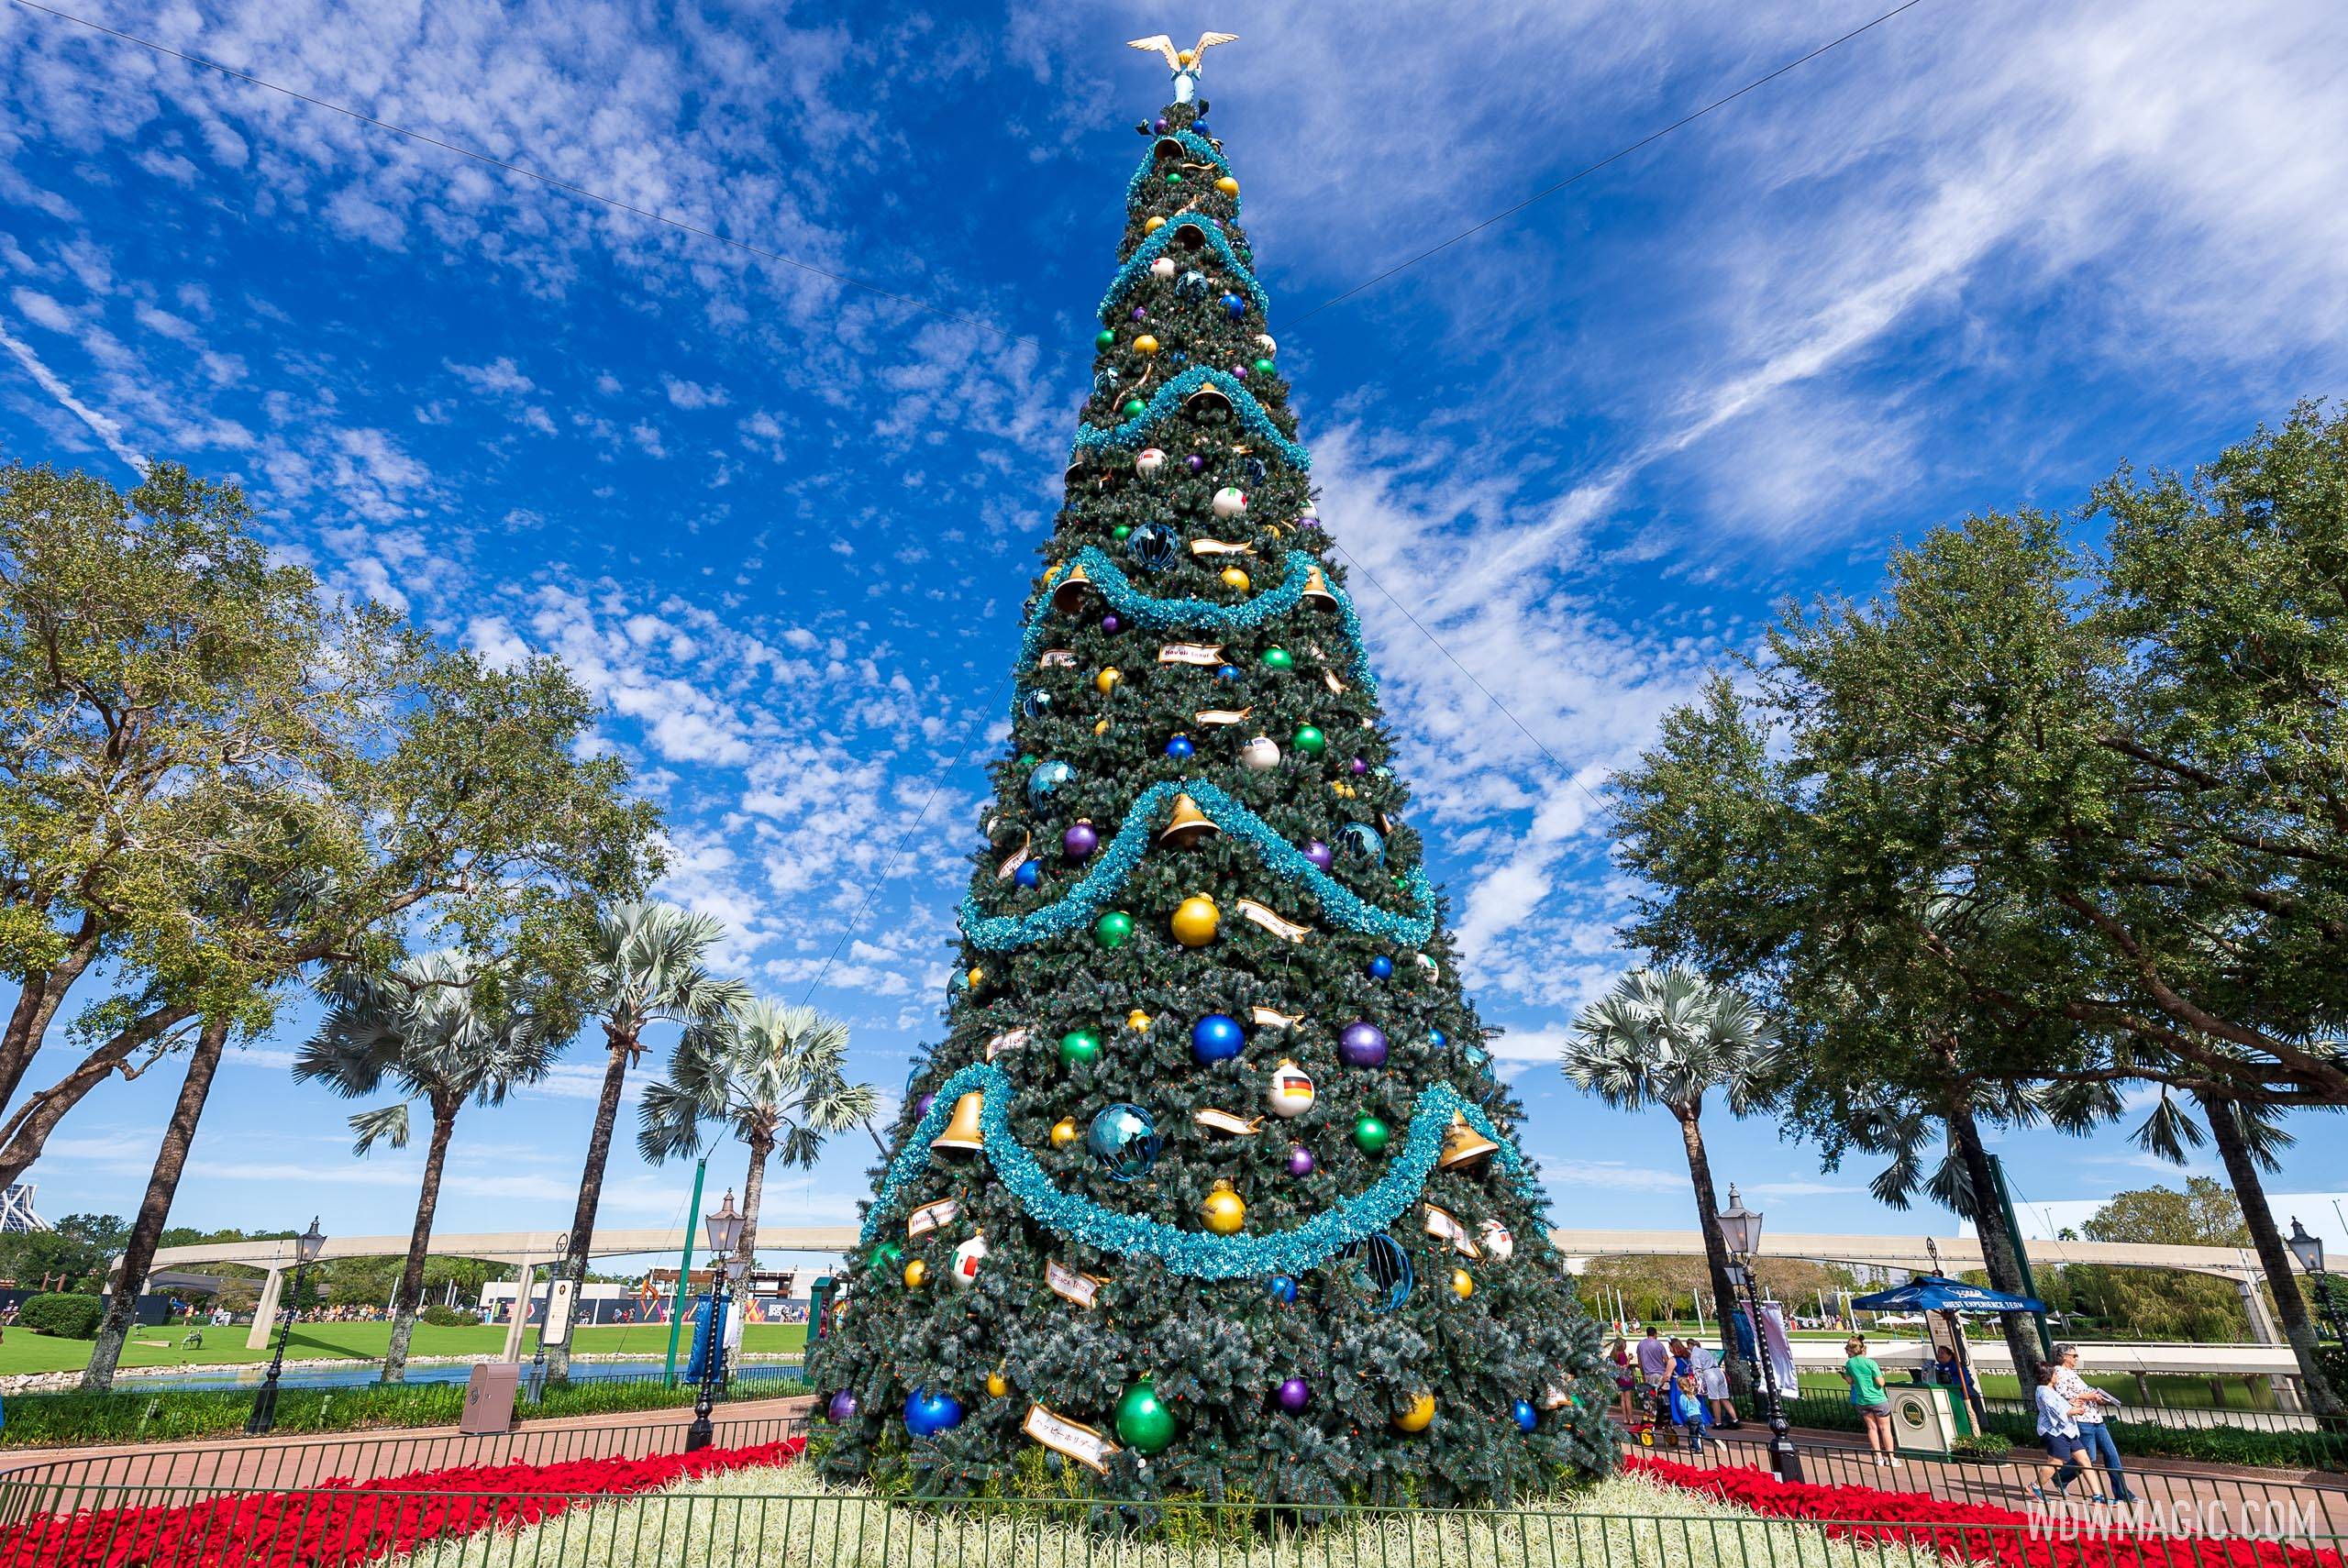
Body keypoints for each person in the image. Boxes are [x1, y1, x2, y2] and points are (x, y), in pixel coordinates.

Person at [2050, 1344, 2136, 1503]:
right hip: (2083, 1420)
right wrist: (2089, 1396)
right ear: (2063, 1356)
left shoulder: (2072, 1373)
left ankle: (2122, 1493)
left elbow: (2082, 1392)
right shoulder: (2058, 1372)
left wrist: (2098, 1398)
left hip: (2096, 1419)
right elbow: (2063, 1395)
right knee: (2089, 1456)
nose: (2076, 1358)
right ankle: (2060, 1477)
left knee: (2112, 1454)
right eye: (2074, 1355)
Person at [2032, 1363, 2103, 1503]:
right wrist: (2073, 1411)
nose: (2057, 1375)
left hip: (2068, 1431)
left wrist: (2072, 1404)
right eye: (2054, 1374)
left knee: (2084, 1459)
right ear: (2048, 1376)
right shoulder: (2044, 1391)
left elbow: (2060, 1406)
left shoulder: (2051, 1390)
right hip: (2055, 1432)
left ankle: (2098, 1496)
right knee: (2056, 1462)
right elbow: (2054, 1411)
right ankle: (2035, 1486)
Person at [1840, 1333, 1898, 1467]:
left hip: (1862, 1400)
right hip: (1878, 1399)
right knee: (1885, 1429)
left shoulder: (1849, 1364)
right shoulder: (1871, 1363)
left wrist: (1844, 1377)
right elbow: (1880, 1382)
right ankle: (1891, 1458)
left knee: (1872, 1428)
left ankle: (1878, 1458)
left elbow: (1850, 1381)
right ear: (1862, 1348)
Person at [1668, 1340, 1711, 1454]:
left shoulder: (1673, 1360)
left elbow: (1667, 1374)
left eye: (1670, 1347)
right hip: (1689, 1384)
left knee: (1684, 1417)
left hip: (1679, 1384)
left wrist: (1658, 1384)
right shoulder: (1688, 1357)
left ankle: (1697, 1447)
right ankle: (1704, 1440)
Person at [1688, 1339, 1739, 1429]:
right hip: (1719, 1372)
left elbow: (1698, 1369)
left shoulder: (1695, 1354)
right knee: (1724, 1398)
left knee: (1714, 1400)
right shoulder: (1704, 1351)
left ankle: (1718, 1423)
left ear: (1689, 1345)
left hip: (1710, 1374)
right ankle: (1735, 1420)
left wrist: (1698, 1383)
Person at [1608, 1337, 1637, 1425]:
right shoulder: (1622, 1354)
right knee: (1628, 1400)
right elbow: (1625, 1366)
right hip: (1625, 1379)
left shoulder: (1613, 1354)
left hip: (1619, 1379)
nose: (1626, 1346)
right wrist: (1629, 1359)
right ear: (1621, 1345)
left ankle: (1625, 1418)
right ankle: (1631, 1419)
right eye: (1625, 1344)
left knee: (1623, 1400)